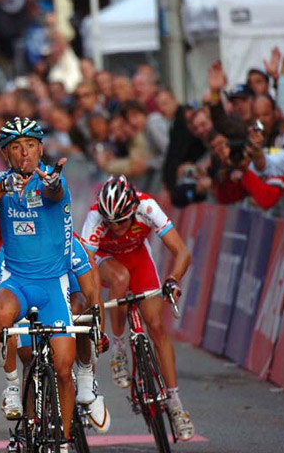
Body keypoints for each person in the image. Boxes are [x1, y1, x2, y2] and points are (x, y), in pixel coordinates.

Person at [0, 117, 78, 448]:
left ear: (40, 149)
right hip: (17, 281)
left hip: (51, 285)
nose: (24, 153)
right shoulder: (0, 180)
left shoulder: (51, 178)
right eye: (16, 147)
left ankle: (63, 441)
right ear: (6, 155)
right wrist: (2, 188)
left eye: (30, 145)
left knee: (62, 369)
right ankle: (13, 385)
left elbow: (54, 191)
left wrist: (54, 183)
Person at [81, 175, 195, 441]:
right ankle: (120, 348)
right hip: (105, 260)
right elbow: (86, 269)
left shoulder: (147, 207)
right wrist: (95, 307)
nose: (116, 227)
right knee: (120, 280)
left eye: (121, 221)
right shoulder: (95, 217)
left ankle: (176, 405)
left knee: (156, 327)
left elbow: (182, 252)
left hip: (137, 257)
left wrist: (172, 280)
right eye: (111, 223)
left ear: (132, 210)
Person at [0, 214, 111, 433]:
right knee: (29, 358)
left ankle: (87, 377)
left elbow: (92, 291)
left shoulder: (67, 238)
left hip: (65, 276)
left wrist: (98, 331)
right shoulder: (3, 246)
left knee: (79, 309)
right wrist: (4, 330)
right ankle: (30, 425)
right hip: (25, 283)